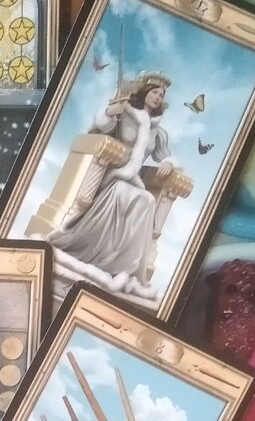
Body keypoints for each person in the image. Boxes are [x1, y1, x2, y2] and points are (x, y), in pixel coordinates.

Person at [46, 73, 175, 298]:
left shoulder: (157, 130)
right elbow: (98, 128)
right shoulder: (125, 112)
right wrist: (109, 113)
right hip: (112, 173)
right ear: (144, 92)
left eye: (161, 95)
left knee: (147, 200)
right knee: (124, 193)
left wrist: (169, 162)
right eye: (154, 92)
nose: (158, 97)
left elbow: (164, 155)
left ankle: (125, 266)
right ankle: (99, 250)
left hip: (134, 180)